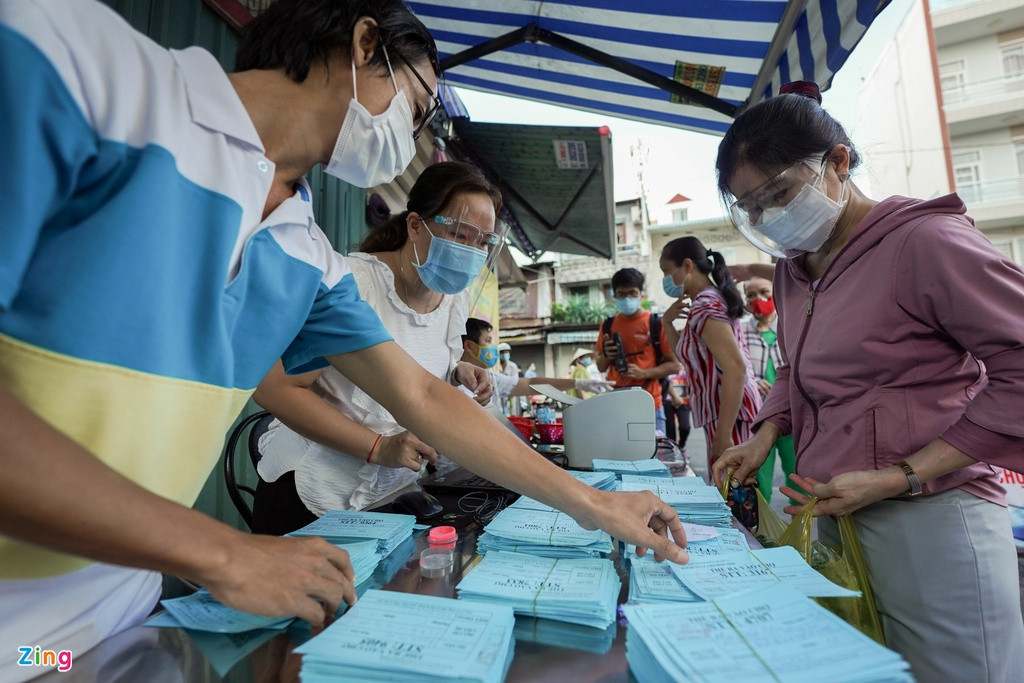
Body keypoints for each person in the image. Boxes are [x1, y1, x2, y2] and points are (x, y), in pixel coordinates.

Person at [0, 0, 688, 673]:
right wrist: (222, 552)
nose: (413, 135)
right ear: (364, 45)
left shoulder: (304, 251)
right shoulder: (77, 63)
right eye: (418, 108)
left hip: (118, 625)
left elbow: (420, 392)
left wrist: (595, 505)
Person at [711, 80, 1024, 680]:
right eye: (750, 207)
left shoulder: (924, 243)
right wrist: (765, 431)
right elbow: (798, 367)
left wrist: (902, 475)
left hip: (932, 514)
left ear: (837, 163)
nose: (767, 217)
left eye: (777, 193)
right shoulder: (794, 270)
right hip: (839, 505)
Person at [250, 161, 501, 533]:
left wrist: (456, 369)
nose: (472, 252)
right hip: (312, 496)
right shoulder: (353, 284)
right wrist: (378, 448)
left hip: (388, 497)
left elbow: (411, 369)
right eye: (462, 235)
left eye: (484, 242)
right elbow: (276, 390)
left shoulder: (453, 298)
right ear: (415, 225)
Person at [659, 238, 762, 473]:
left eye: (666, 271)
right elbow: (690, 358)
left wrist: (724, 434)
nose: (666, 280)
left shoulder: (705, 305)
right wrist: (667, 322)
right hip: (725, 415)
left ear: (687, 266)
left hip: (731, 417)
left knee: (734, 494)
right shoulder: (706, 302)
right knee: (731, 492)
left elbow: (735, 368)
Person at [594, 268, 682, 434]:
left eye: (632, 293)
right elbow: (600, 367)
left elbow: (675, 365)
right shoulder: (607, 326)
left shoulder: (656, 323)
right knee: (619, 457)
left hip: (649, 404)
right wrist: (606, 354)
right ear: (614, 296)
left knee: (653, 456)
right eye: (621, 294)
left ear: (642, 295)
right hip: (617, 404)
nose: (627, 298)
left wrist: (644, 373)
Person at [462, 319, 611, 405]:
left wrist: (577, 383)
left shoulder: (491, 377)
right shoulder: (451, 380)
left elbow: (530, 384)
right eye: (487, 341)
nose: (492, 348)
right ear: (469, 346)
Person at [741, 277, 798, 503]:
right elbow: (735, 368)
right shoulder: (740, 331)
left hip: (791, 415)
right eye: (751, 295)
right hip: (757, 418)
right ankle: (763, 535)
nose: (758, 299)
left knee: (797, 476)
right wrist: (752, 382)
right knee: (758, 481)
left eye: (764, 292)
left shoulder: (791, 327)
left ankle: (800, 534)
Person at [662, 368, 691, 451]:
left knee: (685, 427)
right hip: (667, 401)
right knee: (670, 429)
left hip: (683, 401)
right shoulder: (666, 368)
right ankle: (672, 449)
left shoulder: (685, 367)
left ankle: (681, 446)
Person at [496, 341, 519, 414]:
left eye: (506, 352)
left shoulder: (513, 366)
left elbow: (516, 381)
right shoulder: (495, 366)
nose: (504, 354)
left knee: (512, 412)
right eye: (502, 352)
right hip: (499, 393)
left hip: (510, 393)